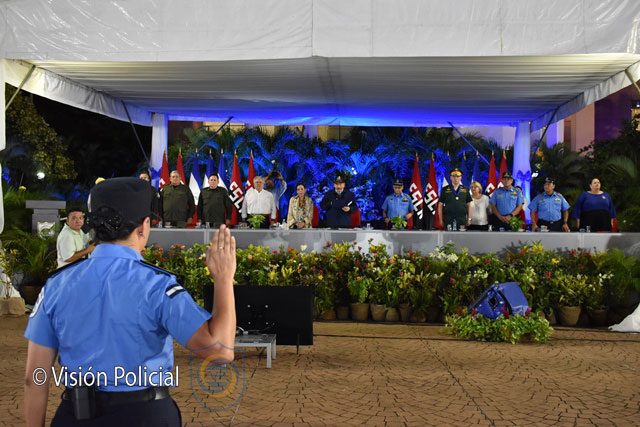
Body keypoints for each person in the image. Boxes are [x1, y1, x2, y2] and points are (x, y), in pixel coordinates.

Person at [23, 177, 236, 426]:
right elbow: (220, 351)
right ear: (143, 226)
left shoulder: (56, 285)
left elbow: (34, 378)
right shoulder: (157, 285)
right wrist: (223, 279)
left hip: (76, 414)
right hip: (144, 415)